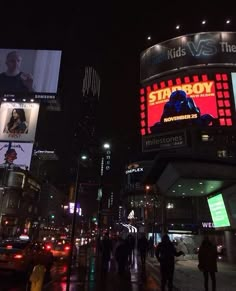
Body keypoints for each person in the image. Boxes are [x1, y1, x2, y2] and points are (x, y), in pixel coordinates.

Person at [150, 90, 217, 133]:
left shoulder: (189, 101)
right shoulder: (168, 105)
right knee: (156, 126)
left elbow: (197, 114)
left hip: (190, 124)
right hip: (173, 127)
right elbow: (163, 121)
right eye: (175, 102)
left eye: (180, 101)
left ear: (184, 101)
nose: (178, 103)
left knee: (207, 117)